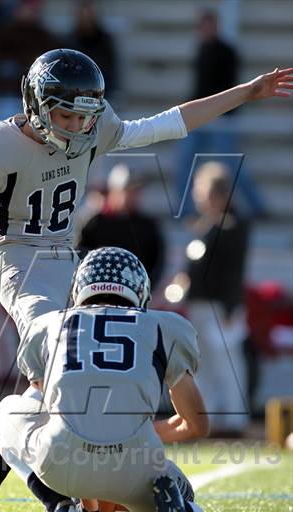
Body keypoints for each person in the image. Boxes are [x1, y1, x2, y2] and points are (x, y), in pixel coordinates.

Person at [0, 47, 293, 512]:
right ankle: (49, 497)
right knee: (54, 381)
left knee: (55, 384)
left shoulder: (93, 128)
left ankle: (33, 494)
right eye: (64, 114)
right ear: (36, 104)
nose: (74, 126)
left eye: (82, 116)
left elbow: (168, 124)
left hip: (70, 263)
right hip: (20, 264)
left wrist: (247, 92)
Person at [0, 246, 209, 512]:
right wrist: (135, 432)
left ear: (80, 288)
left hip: (62, 464)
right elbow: (197, 425)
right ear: (139, 289)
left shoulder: (49, 324)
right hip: (134, 466)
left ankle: (59, 503)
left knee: (6, 412)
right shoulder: (165, 327)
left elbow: (45, 402)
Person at [175, 9, 267, 217]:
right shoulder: (201, 51)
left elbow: (228, 89)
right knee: (184, 160)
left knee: (232, 164)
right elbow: (199, 88)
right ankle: (183, 211)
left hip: (222, 118)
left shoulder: (227, 52)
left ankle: (256, 207)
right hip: (201, 118)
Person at [183, 161, 250, 436]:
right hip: (200, 304)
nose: (199, 196)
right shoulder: (207, 225)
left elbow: (233, 271)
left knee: (227, 364)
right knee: (204, 366)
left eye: (204, 191)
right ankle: (205, 420)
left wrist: (232, 306)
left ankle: (234, 421)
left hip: (220, 306)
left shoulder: (232, 225)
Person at [77, 163, 166, 291]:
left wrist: (144, 288)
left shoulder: (147, 226)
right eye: (128, 190)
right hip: (97, 291)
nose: (133, 196)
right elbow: (79, 255)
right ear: (114, 191)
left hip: (134, 293)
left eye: (137, 191)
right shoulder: (95, 222)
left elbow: (156, 263)